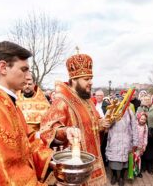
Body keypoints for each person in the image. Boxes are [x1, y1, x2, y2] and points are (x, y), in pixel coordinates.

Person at [0, 41, 52, 185]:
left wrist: (54, 159)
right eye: (24, 69)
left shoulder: (8, 104)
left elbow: (27, 140)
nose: (28, 75)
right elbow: (7, 176)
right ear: (3, 67)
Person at [39, 52, 110, 185]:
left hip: (93, 162)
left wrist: (101, 125)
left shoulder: (87, 100)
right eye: (86, 79)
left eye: (91, 78)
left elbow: (92, 123)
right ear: (74, 80)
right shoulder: (62, 101)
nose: (91, 82)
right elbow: (47, 130)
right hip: (74, 168)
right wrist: (65, 131)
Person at [106, 94, 138, 186]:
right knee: (113, 159)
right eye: (118, 101)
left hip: (126, 139)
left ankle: (121, 177)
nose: (120, 103)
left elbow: (134, 127)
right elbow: (106, 125)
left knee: (125, 160)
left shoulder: (129, 111)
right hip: (114, 139)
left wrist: (135, 141)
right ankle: (114, 176)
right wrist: (110, 119)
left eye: (122, 101)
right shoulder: (111, 110)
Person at [95, 89, 110, 166]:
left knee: (103, 147)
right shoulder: (92, 104)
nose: (99, 97)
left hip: (104, 130)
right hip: (95, 129)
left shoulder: (107, 105)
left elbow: (110, 117)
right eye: (97, 95)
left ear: (103, 96)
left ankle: (103, 163)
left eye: (100, 95)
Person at [135, 111, 148, 178]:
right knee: (133, 158)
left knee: (139, 158)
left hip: (140, 145)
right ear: (139, 118)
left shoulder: (145, 126)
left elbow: (145, 136)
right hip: (134, 145)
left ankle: (138, 171)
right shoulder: (135, 124)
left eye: (144, 119)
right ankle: (133, 171)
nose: (143, 121)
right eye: (141, 119)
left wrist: (144, 145)